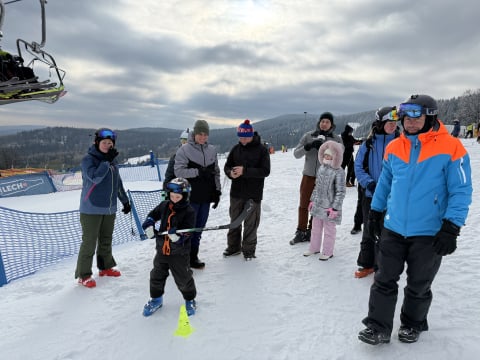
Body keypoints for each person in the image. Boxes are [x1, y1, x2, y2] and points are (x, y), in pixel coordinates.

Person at [358, 94, 472, 345]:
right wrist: (376, 213)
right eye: (405, 117)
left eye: (416, 117)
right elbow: (385, 185)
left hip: (429, 231)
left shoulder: (452, 148)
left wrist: (452, 226)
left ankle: (412, 323)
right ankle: (378, 326)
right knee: (384, 279)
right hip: (394, 227)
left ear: (430, 116)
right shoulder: (394, 146)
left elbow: (461, 191)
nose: (409, 123)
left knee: (419, 284)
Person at [75, 128, 131, 288]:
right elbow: (95, 178)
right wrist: (106, 161)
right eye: (104, 143)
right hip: (91, 208)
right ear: (97, 143)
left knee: (106, 239)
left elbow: (117, 182)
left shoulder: (112, 160)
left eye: (110, 143)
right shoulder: (88, 160)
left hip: (109, 208)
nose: (107, 145)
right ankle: (83, 275)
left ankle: (105, 267)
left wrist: (124, 201)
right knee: (89, 242)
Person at [353, 106, 400, 278]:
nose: (393, 125)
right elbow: (357, 166)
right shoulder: (369, 143)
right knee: (369, 229)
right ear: (381, 123)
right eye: (389, 122)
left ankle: (384, 266)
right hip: (371, 195)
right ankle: (367, 263)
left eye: (395, 122)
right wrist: (369, 183)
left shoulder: (401, 142)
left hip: (393, 196)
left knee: (388, 232)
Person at [141, 178, 197, 317]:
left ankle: (190, 299)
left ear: (184, 196)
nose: (174, 199)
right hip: (162, 250)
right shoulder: (164, 205)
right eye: (172, 196)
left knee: (183, 278)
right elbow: (152, 215)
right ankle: (156, 299)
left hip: (179, 253)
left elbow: (188, 233)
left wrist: (178, 237)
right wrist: (149, 224)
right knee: (156, 275)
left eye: (177, 197)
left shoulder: (189, 211)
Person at [174, 119, 221, 269]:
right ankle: (183, 258)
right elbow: (178, 171)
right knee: (189, 229)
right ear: (194, 134)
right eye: (200, 134)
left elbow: (216, 173)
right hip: (190, 197)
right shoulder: (184, 150)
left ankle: (193, 257)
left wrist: (217, 191)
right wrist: (198, 172)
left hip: (205, 197)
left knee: (199, 228)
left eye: (205, 134)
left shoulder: (212, 150)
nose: (202, 137)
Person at [290, 112, 342, 245]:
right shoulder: (309, 136)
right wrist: (308, 146)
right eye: (322, 121)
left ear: (332, 124)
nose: (324, 124)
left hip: (325, 178)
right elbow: (296, 154)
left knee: (318, 205)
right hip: (308, 176)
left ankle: (312, 231)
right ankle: (301, 231)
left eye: (327, 122)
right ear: (319, 122)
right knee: (303, 204)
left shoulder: (336, 139)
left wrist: (327, 148)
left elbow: (340, 155)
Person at [223, 120, 271, 260]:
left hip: (253, 194)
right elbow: (227, 166)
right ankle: (233, 248)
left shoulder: (261, 150)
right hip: (236, 193)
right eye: (240, 137)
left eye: (245, 137)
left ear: (251, 135)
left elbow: (265, 171)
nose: (243, 140)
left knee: (251, 224)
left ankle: (249, 251)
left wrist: (245, 171)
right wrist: (230, 173)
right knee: (235, 222)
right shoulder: (235, 149)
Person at [303, 141, 346, 260]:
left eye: (329, 156)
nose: (326, 157)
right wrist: (312, 200)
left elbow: (341, 191)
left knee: (329, 230)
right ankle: (314, 248)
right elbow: (317, 186)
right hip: (318, 205)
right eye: (325, 155)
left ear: (335, 157)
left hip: (330, 208)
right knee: (315, 228)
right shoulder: (321, 168)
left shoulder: (339, 171)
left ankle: (328, 251)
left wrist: (335, 207)